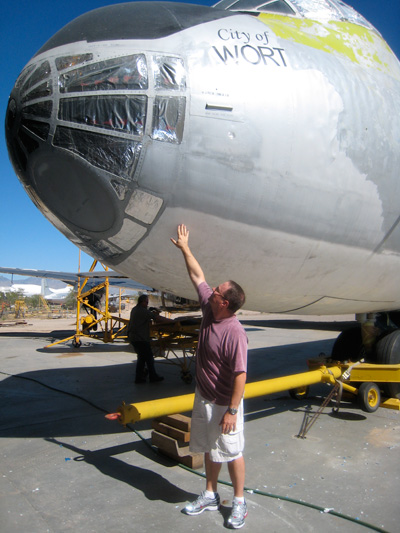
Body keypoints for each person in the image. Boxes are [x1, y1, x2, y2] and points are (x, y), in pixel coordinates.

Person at [171, 224, 248, 530]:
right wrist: (185, 248)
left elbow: (241, 375)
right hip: (204, 396)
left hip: (224, 403)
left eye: (217, 291)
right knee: (209, 449)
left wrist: (231, 411)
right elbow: (197, 276)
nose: (211, 290)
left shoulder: (235, 333)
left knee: (232, 452)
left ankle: (240, 502)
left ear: (224, 302)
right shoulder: (208, 308)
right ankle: (210, 494)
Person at [127, 294, 172, 383]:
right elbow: (157, 318)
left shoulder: (135, 309)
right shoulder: (142, 311)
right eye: (146, 302)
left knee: (142, 358)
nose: (147, 304)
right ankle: (152, 376)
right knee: (149, 358)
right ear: (142, 302)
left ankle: (140, 377)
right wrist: (173, 322)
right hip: (140, 338)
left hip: (134, 338)